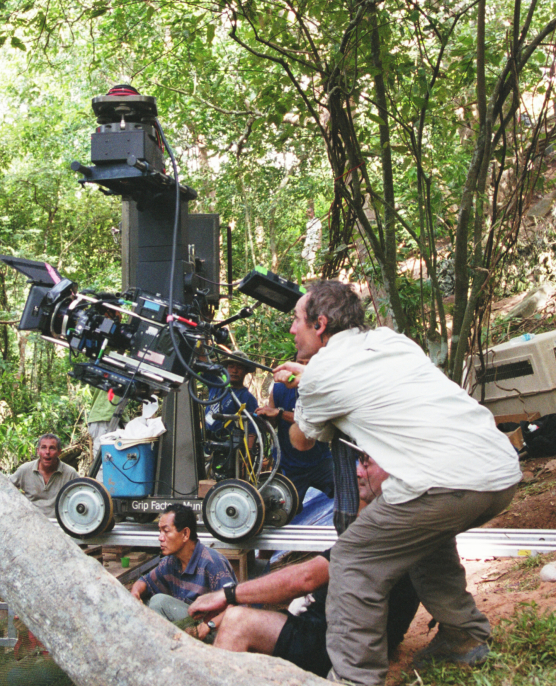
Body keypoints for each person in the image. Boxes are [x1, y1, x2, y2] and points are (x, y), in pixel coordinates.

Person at [273, 281, 522, 683]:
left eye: (296, 321)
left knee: (354, 560)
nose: (291, 331)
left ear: (320, 324)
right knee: (424, 540)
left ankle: (355, 678)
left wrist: (302, 383)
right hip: (499, 473)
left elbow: (301, 440)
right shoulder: (392, 341)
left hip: (447, 484)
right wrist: (311, 376)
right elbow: (358, 379)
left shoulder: (320, 377)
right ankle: (463, 636)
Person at [186, 454, 419, 676]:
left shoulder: (387, 528)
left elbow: (305, 579)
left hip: (346, 643)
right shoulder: (396, 514)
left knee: (239, 622)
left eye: (367, 464)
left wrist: (229, 594)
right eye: (359, 462)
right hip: (337, 628)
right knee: (239, 620)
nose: (358, 472)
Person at [129, 504, 236, 626]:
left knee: (159, 602)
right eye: (160, 531)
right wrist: (135, 593)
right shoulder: (170, 562)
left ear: (185, 534)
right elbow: (145, 581)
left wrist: (208, 626)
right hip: (189, 628)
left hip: (213, 632)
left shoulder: (213, 563)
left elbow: (235, 609)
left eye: (166, 531)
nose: (160, 537)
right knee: (144, 604)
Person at [256, 358, 334, 499]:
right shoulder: (279, 389)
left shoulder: (321, 389)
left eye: (308, 363)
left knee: (348, 492)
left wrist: (280, 413)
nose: (303, 367)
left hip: (320, 461)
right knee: (284, 509)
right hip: (290, 466)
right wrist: (266, 417)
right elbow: (272, 422)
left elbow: (312, 419)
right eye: (300, 363)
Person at [7, 434, 78, 519]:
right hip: (31, 522)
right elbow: (4, 487)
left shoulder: (70, 473)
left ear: (59, 452)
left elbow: (82, 497)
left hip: (60, 524)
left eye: (52, 448)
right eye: (43, 447)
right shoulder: (24, 470)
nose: (47, 452)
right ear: (38, 451)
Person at [204, 354, 260, 436]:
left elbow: (252, 431)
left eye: (239, 368)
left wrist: (249, 448)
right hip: (204, 442)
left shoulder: (247, 397)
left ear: (245, 371)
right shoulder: (216, 384)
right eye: (231, 366)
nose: (234, 371)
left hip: (227, 445)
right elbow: (203, 362)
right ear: (226, 369)